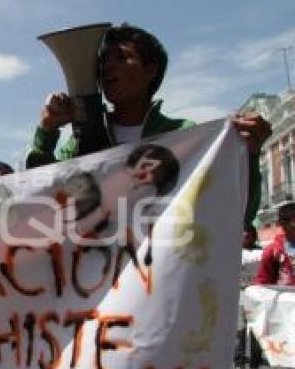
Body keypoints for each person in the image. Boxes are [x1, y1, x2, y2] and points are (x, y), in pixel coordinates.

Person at [24, 23, 269, 225]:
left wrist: (250, 154)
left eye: (121, 57)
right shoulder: (78, 142)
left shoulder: (184, 134)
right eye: (104, 60)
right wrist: (47, 132)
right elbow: (40, 204)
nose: (107, 66)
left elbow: (238, 214)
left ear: (151, 69)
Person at [252, 202, 295, 369]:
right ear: (283, 225)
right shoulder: (274, 250)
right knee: (293, 360)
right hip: (286, 312)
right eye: (290, 223)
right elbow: (263, 279)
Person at [233, 224, 264, 369]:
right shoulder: (233, 252)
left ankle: (254, 367)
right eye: (243, 235)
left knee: (256, 333)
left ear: (253, 235)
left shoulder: (262, 252)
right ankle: (239, 367)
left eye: (248, 235)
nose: (245, 237)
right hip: (240, 293)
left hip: (258, 295)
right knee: (239, 330)